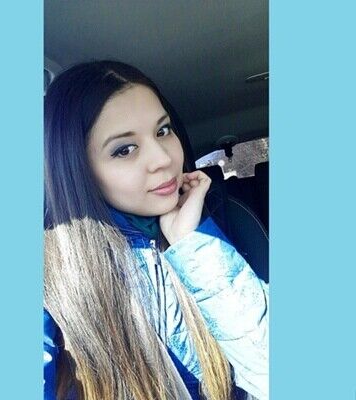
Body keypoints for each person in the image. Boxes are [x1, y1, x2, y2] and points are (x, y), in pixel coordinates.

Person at [44, 60, 268, 400]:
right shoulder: (49, 273)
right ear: (79, 170)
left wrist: (192, 245)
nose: (163, 159)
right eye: (124, 149)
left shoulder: (208, 236)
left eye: (163, 131)